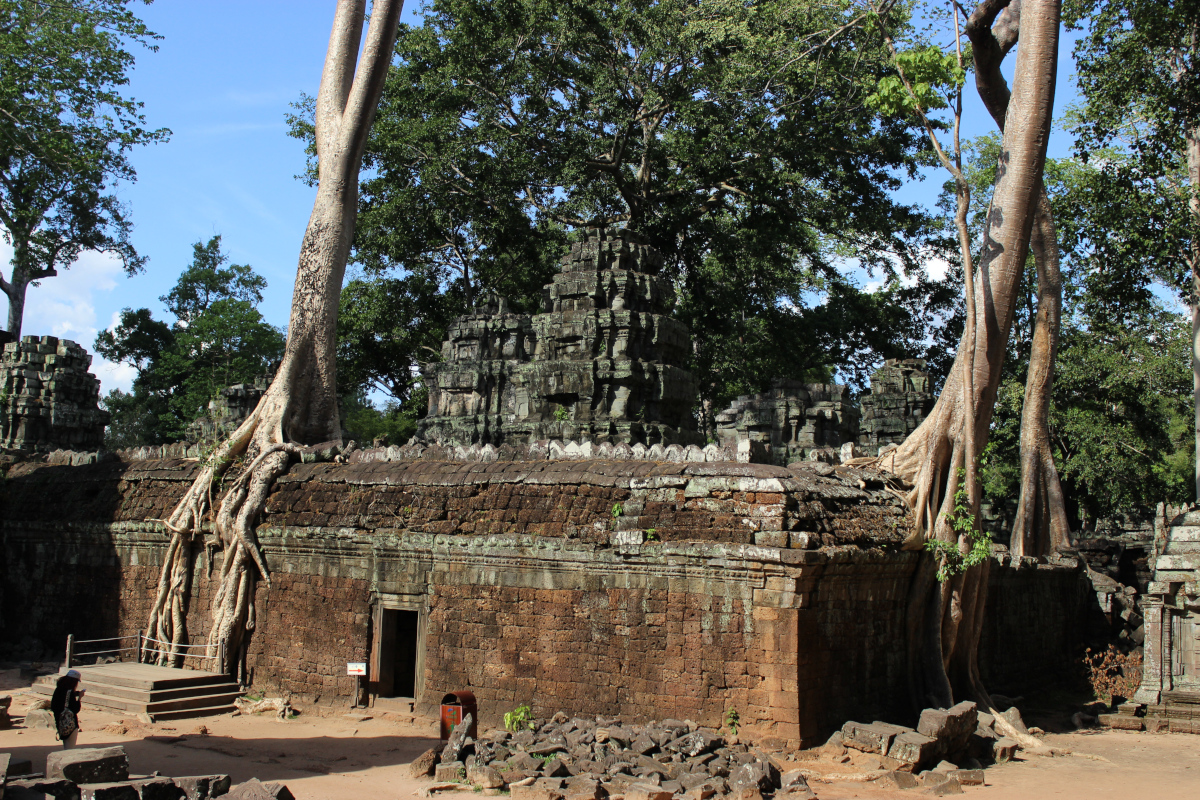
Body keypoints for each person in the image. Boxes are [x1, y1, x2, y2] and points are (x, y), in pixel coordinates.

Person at [50, 669, 84, 748]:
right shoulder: (70, 692)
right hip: (70, 724)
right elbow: (75, 709)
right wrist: (79, 698)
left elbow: (55, 705)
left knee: (66, 745)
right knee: (70, 748)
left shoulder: (58, 689)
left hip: (60, 722)